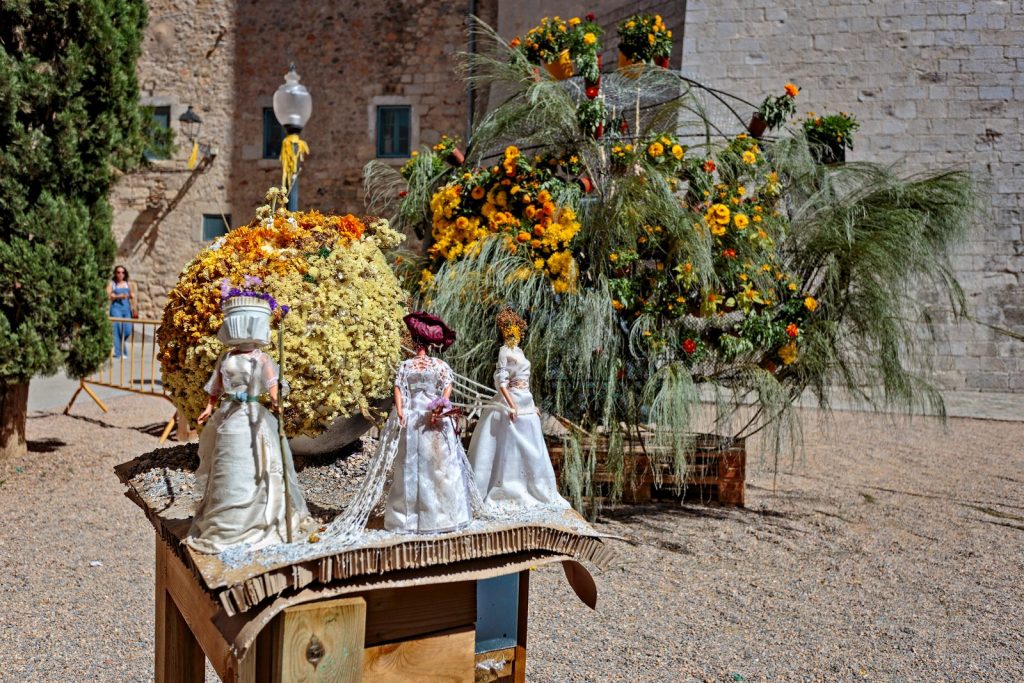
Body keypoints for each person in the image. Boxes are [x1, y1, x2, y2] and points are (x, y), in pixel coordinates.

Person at [326, 311, 482, 542]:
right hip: (417, 415)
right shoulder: (415, 365)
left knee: (434, 463)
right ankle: (420, 515)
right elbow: (401, 388)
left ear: (420, 343)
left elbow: (444, 387)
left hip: (427, 415)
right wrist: (403, 409)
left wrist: (439, 406)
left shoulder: (427, 365)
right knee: (417, 463)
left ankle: (436, 514)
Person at [185, 293, 312, 554]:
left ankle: (257, 518)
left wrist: (276, 402)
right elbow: (217, 386)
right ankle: (224, 521)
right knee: (228, 460)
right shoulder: (226, 357)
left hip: (253, 414)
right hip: (230, 413)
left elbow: (272, 384)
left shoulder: (261, 358)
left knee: (256, 462)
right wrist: (209, 407)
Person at [468, 307, 570, 512]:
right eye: (508, 330)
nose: (512, 334)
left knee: (532, 445)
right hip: (513, 399)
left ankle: (533, 487)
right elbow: (501, 381)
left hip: (526, 399)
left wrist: (532, 405)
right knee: (512, 445)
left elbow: (525, 380)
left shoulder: (519, 351)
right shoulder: (504, 351)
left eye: (514, 330)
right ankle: (509, 488)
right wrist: (511, 405)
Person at [106, 265, 136, 358]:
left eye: (122, 272)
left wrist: (131, 296)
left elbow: (133, 295)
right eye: (118, 272)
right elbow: (108, 295)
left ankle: (121, 350)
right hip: (116, 308)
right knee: (117, 329)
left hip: (126, 308)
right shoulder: (112, 284)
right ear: (115, 273)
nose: (120, 274)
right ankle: (120, 353)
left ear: (125, 274)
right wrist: (119, 296)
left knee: (127, 330)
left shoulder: (128, 284)